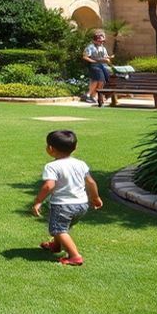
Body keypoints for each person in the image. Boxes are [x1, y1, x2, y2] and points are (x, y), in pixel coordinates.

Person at [31, 129, 103, 266]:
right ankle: (56, 246)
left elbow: (49, 185)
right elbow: (91, 182)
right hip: (82, 205)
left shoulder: (52, 166)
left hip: (63, 205)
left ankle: (75, 256)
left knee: (58, 229)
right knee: (62, 226)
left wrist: (38, 201)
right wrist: (95, 197)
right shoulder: (81, 164)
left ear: (50, 149)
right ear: (75, 147)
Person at [82, 31, 112, 104]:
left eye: (103, 41)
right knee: (97, 80)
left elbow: (105, 57)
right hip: (94, 66)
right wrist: (93, 61)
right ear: (95, 40)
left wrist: (108, 58)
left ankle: (94, 96)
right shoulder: (90, 47)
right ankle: (88, 95)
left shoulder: (103, 48)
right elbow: (85, 57)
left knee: (101, 82)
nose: (102, 42)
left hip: (102, 66)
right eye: (100, 41)